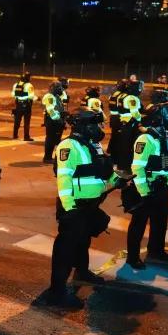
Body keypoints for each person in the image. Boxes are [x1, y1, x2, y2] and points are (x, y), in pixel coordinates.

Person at [43, 109, 120, 308]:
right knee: (65, 249)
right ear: (82, 126)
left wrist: (117, 180)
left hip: (91, 204)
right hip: (74, 206)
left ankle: (82, 271)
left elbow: (103, 169)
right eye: (95, 124)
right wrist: (69, 208)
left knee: (83, 241)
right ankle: (56, 292)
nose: (99, 128)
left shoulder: (94, 144)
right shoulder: (68, 146)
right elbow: (64, 178)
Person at [123, 103, 168, 269]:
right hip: (146, 189)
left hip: (162, 189)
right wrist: (144, 192)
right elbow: (137, 167)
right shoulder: (145, 138)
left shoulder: (167, 136)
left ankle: (156, 251)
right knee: (139, 224)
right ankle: (133, 257)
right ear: (160, 118)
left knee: (160, 222)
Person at [114, 79, 143, 171]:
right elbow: (135, 113)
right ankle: (127, 167)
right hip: (131, 125)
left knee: (123, 145)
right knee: (130, 146)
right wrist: (141, 120)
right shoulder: (132, 98)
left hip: (122, 123)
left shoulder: (121, 95)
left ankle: (121, 166)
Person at [42, 81, 66, 164]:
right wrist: (57, 119)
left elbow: (58, 107)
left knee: (55, 139)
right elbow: (50, 110)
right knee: (50, 139)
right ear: (54, 88)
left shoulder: (56, 96)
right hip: (52, 121)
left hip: (57, 120)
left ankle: (51, 157)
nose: (61, 89)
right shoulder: (50, 97)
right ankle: (47, 157)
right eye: (59, 88)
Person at [11, 72, 36, 140]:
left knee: (17, 120)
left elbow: (13, 94)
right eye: (30, 77)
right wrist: (37, 98)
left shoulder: (16, 84)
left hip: (18, 105)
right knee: (26, 122)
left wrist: (19, 97)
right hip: (27, 105)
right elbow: (31, 96)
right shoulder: (29, 85)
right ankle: (26, 136)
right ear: (27, 78)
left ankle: (15, 135)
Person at [107, 79, 128, 158]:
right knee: (118, 137)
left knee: (114, 135)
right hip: (118, 118)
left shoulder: (114, 94)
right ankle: (115, 154)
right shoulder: (122, 95)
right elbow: (121, 108)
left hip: (113, 117)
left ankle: (110, 151)